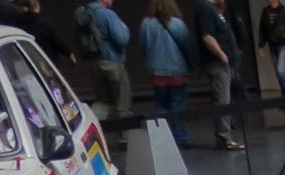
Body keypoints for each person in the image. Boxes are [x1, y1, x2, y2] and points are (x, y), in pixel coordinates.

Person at [74, 0, 131, 142]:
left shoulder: (82, 13)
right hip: (112, 61)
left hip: (93, 62)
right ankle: (126, 137)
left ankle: (90, 134)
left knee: (102, 101)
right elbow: (122, 39)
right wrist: (125, 28)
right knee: (122, 101)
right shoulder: (108, 14)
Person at [141, 0, 195, 149]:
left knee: (161, 104)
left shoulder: (146, 24)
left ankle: (160, 136)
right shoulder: (178, 24)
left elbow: (143, 47)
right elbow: (187, 46)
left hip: (156, 72)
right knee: (178, 105)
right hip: (177, 72)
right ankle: (180, 137)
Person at [195, 0, 245, 151]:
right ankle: (224, 137)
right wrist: (222, 56)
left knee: (226, 99)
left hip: (225, 63)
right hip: (218, 63)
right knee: (222, 100)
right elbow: (207, 36)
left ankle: (225, 134)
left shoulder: (214, 9)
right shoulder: (204, 8)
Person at [257, 0, 285, 123]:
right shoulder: (265, 11)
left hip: (283, 44)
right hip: (272, 45)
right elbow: (262, 29)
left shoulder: (284, 11)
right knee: (278, 74)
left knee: (281, 71)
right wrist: (261, 45)